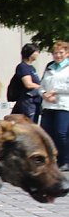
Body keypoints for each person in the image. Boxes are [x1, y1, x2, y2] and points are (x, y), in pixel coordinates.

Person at [41, 40, 69, 170]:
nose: (58, 55)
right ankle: (54, 160)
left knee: (61, 133)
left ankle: (65, 160)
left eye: (61, 53)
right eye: (55, 53)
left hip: (63, 105)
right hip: (48, 105)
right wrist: (44, 93)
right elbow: (41, 86)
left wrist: (54, 91)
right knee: (47, 134)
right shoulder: (49, 67)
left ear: (67, 53)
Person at [10, 43, 43, 123]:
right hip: (27, 102)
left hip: (34, 101)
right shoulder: (23, 67)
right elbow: (28, 84)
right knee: (29, 125)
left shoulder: (31, 68)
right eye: (36, 51)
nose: (38, 53)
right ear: (30, 52)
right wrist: (42, 88)